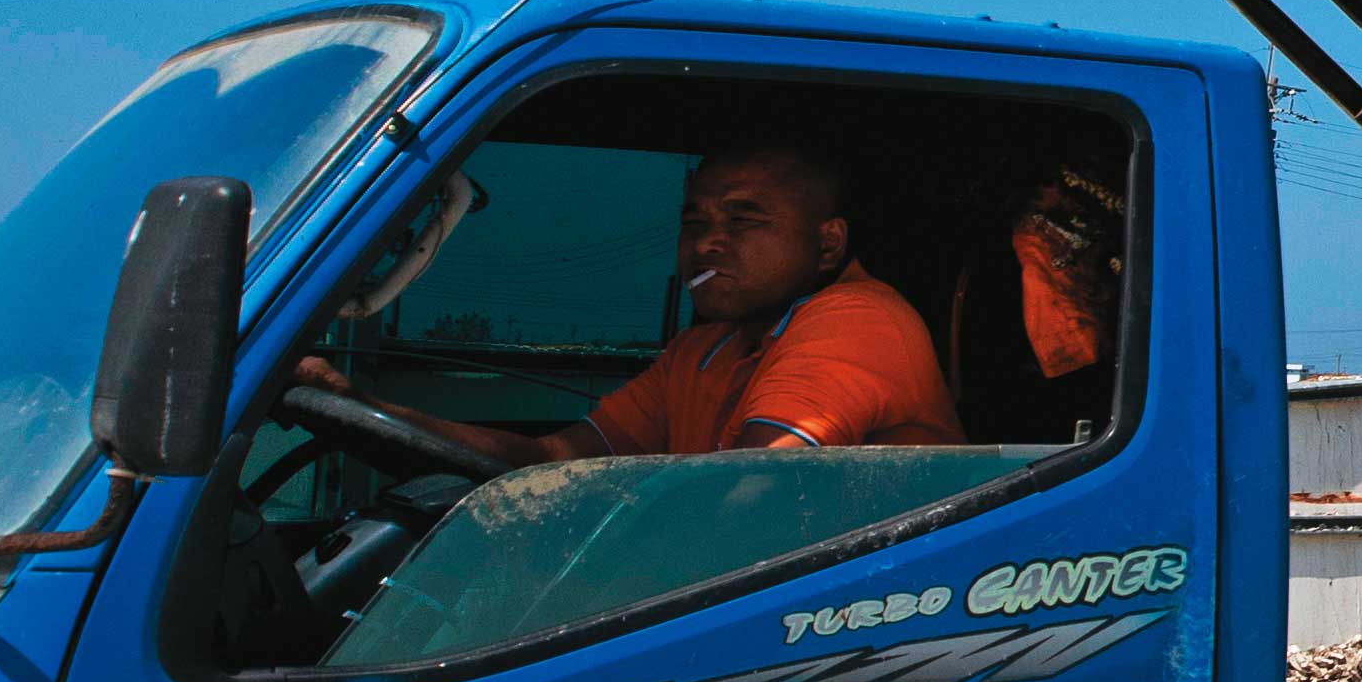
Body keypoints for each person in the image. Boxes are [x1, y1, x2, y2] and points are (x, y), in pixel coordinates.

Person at [334, 144, 957, 471]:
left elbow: (754, 488)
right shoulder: (703, 349)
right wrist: (366, 408)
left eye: (743, 220)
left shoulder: (858, 319)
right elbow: (555, 458)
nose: (706, 244)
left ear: (828, 244)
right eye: (695, 221)